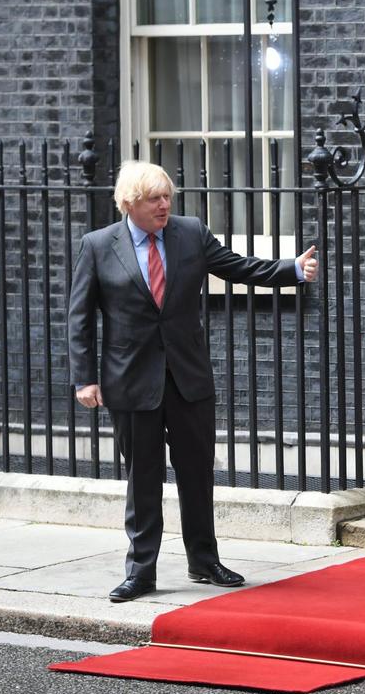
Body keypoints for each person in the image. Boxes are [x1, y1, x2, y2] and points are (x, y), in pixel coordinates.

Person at [68, 160, 318, 603]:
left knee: (197, 475)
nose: (165, 205)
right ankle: (140, 571)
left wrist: (291, 271)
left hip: (187, 379)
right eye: (154, 199)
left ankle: (204, 560)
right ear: (130, 203)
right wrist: (84, 379)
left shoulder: (190, 232)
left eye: (167, 196)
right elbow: (80, 317)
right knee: (142, 478)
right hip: (131, 382)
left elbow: (238, 267)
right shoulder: (98, 245)